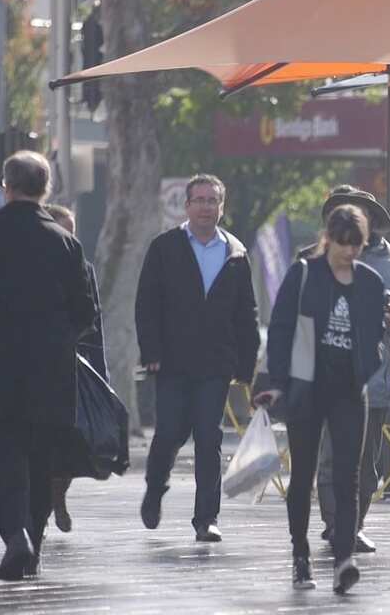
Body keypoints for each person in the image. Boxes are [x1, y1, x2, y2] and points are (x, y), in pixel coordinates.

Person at [256, 205, 387, 593]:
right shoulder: (303, 274)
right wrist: (277, 381)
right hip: (306, 385)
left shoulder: (370, 282)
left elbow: (375, 334)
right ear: (327, 238)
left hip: (350, 390)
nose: (349, 252)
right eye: (343, 244)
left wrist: (368, 367)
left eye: (357, 245)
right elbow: (280, 329)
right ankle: (301, 554)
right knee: (302, 477)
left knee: (349, 477)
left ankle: (344, 558)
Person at [135, 174, 260, 543]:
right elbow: (147, 304)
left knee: (209, 437)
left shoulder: (235, 252)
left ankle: (206, 518)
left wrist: (247, 362)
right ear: (187, 206)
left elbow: (246, 312)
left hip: (216, 364)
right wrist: (151, 351)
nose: (206, 207)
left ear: (222, 208)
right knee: (170, 432)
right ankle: (155, 487)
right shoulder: (165, 247)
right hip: (172, 361)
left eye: (213, 201)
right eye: (199, 200)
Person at [298, 186, 390, 556]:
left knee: (367, 464)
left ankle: (356, 523)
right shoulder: (310, 262)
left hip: (376, 379)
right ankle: (337, 525)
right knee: (331, 458)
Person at [0, 151, 95, 580]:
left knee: (5, 453)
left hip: (2, 367)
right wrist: (57, 342)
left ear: (7, 186)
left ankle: (13, 534)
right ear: (46, 190)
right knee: (40, 461)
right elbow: (85, 310)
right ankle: (32, 544)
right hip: (51, 370)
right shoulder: (65, 241)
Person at [44, 204, 109, 535]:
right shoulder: (30, 265)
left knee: (71, 439)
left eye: (72, 228)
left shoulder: (82, 265)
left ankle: (58, 496)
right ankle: (41, 505)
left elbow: (93, 319)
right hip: (38, 367)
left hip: (76, 365)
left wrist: (101, 373)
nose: (68, 236)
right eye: (61, 228)